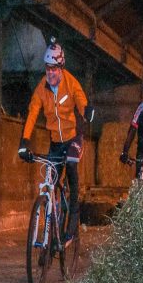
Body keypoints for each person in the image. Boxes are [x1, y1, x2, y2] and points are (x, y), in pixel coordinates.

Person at [17, 37, 94, 243]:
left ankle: (73, 218)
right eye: (47, 68)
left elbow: (80, 100)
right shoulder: (42, 88)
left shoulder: (71, 83)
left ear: (61, 67)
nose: (50, 73)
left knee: (71, 167)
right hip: (55, 142)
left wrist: (86, 110)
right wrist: (24, 141)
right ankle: (53, 221)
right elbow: (33, 112)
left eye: (54, 69)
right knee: (51, 182)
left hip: (73, 137)